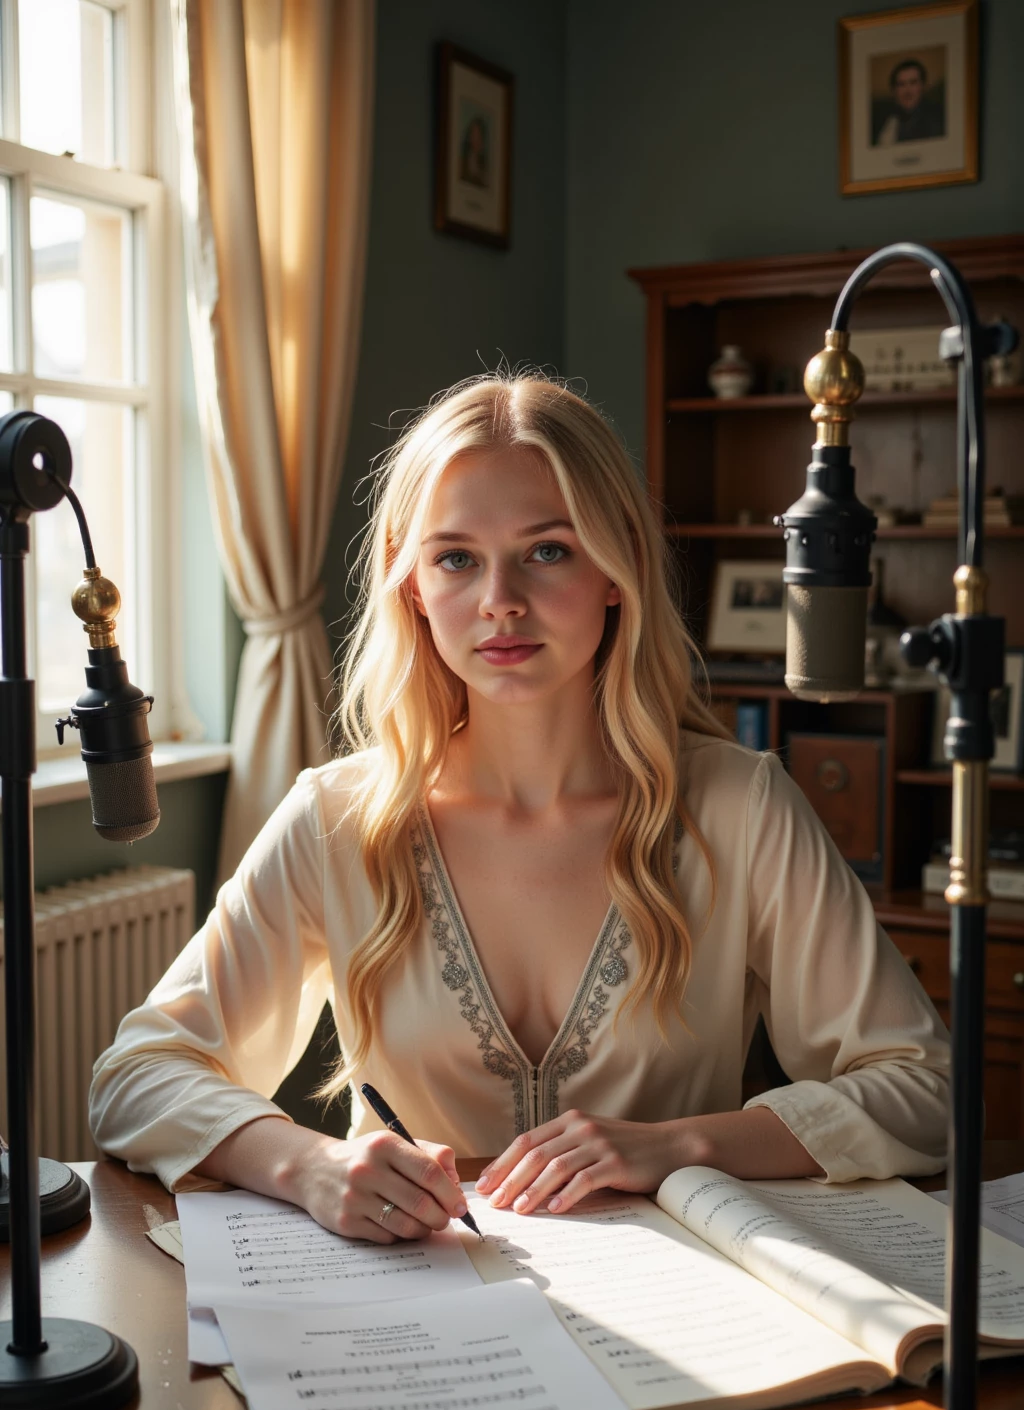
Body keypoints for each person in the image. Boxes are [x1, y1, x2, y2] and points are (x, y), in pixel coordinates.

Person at [89, 373, 950, 1243]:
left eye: (547, 550)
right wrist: (304, 1162)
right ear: (414, 589)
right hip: (419, 1307)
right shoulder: (336, 820)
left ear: (618, 570)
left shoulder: (741, 808)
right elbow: (136, 1075)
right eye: (456, 557)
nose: (500, 598)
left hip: (686, 1314)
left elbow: (923, 1088)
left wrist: (680, 1144)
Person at [873, 57, 945, 146]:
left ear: (923, 86)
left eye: (913, 83)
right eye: (901, 84)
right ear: (894, 90)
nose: (908, 91)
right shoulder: (883, 120)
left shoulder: (937, 119)